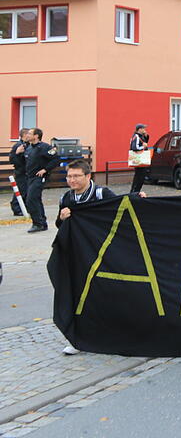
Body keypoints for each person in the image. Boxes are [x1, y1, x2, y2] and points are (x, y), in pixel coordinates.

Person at [55, 159, 138, 356]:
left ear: (88, 176)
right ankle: (78, 339)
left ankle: (117, 334)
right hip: (77, 256)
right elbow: (61, 229)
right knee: (78, 297)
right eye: (69, 176)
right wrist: (61, 219)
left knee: (106, 295)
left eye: (76, 176)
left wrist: (137, 198)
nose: (72, 180)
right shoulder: (66, 198)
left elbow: (120, 210)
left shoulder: (102, 194)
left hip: (104, 256)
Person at [23, 129, 59, 233]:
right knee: (35, 199)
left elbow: (56, 159)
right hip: (29, 178)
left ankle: (37, 224)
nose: (27, 135)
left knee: (31, 199)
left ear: (36, 136)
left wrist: (45, 169)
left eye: (30, 133)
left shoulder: (45, 147)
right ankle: (42, 223)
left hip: (39, 178)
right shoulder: (29, 148)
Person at [8, 128, 29, 217]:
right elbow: (12, 159)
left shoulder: (28, 145)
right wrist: (17, 153)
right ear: (24, 135)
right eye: (28, 134)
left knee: (26, 191)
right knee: (21, 190)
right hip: (21, 172)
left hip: (27, 172)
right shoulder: (18, 145)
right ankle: (16, 209)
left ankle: (24, 208)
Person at [128, 123, 151, 194]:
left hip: (141, 160)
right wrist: (143, 147)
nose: (145, 130)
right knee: (139, 177)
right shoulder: (136, 136)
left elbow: (145, 143)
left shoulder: (141, 136)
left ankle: (136, 192)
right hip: (139, 159)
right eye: (143, 128)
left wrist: (146, 137)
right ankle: (134, 192)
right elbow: (134, 147)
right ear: (139, 129)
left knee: (141, 177)